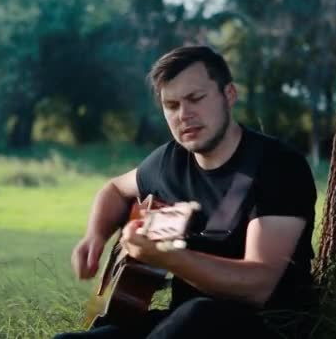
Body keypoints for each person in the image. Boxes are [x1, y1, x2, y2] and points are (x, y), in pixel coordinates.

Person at [54, 45, 318, 339]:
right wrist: (96, 236)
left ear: (228, 95)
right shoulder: (169, 161)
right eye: (172, 105)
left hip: (265, 327)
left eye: (196, 98)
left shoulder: (277, 166)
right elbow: (115, 189)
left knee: (197, 316)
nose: (184, 114)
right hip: (183, 321)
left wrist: (167, 258)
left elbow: (258, 285)